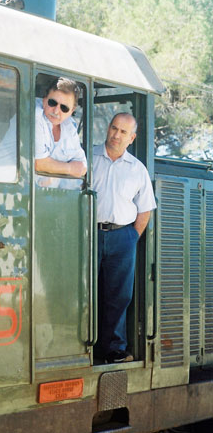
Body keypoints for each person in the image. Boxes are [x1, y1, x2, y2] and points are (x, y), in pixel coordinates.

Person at [93, 112, 156, 364]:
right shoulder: (88, 157)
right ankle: (79, 346)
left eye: (123, 132)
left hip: (122, 236)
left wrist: (131, 236)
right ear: (108, 129)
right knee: (85, 291)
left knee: (119, 295)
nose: (116, 135)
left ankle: (113, 349)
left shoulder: (137, 169)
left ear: (132, 138)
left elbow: (145, 208)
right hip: (88, 234)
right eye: (114, 128)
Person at [35, 77, 87, 188]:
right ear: (44, 99)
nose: (56, 111)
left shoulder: (69, 126)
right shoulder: (35, 115)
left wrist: (53, 170)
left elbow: (82, 167)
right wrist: (69, 168)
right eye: (52, 103)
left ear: (72, 111)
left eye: (64, 108)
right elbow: (39, 164)